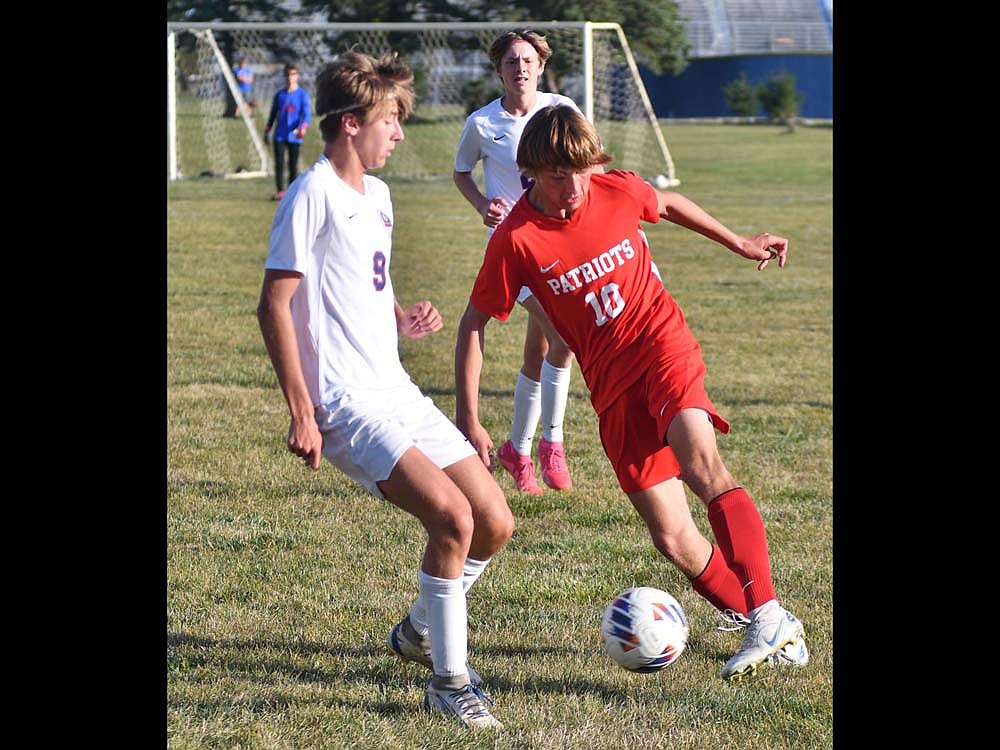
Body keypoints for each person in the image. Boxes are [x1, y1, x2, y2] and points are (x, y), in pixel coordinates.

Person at [454, 104, 808, 681]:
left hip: (662, 346)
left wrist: (738, 242)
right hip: (610, 386)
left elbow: (666, 203)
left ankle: (765, 612)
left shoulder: (614, 189)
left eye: (580, 171)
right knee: (672, 536)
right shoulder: (516, 239)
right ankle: (766, 623)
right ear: (530, 172)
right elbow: (473, 324)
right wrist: (470, 417)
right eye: (556, 175)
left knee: (699, 461)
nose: (572, 187)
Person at [256, 50, 512, 729]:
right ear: (348, 124)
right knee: (452, 520)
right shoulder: (312, 193)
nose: (398, 132)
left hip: (395, 388)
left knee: (494, 521)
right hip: (345, 402)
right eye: (390, 120)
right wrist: (302, 411)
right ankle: (449, 682)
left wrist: (399, 318)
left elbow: (363, 281)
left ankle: (420, 629)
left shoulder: (382, 195)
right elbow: (274, 305)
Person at [453, 29, 580, 496]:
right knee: (564, 335)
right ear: (499, 70)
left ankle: (517, 452)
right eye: (511, 62)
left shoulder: (561, 109)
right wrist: (482, 202)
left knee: (541, 351)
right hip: (512, 246)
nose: (520, 68)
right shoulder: (482, 124)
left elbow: (587, 164)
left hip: (557, 244)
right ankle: (552, 444)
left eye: (528, 60)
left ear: (541, 67)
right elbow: (461, 171)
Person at [264, 63, 311, 201]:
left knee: (293, 164)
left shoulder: (302, 95)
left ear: (297, 76)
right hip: (280, 134)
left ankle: (291, 191)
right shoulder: (280, 95)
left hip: (295, 135)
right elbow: (273, 114)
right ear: (284, 76)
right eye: (288, 74)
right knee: (279, 163)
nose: (290, 77)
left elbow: (306, 114)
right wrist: (267, 130)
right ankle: (280, 191)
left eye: (293, 74)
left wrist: (303, 127)